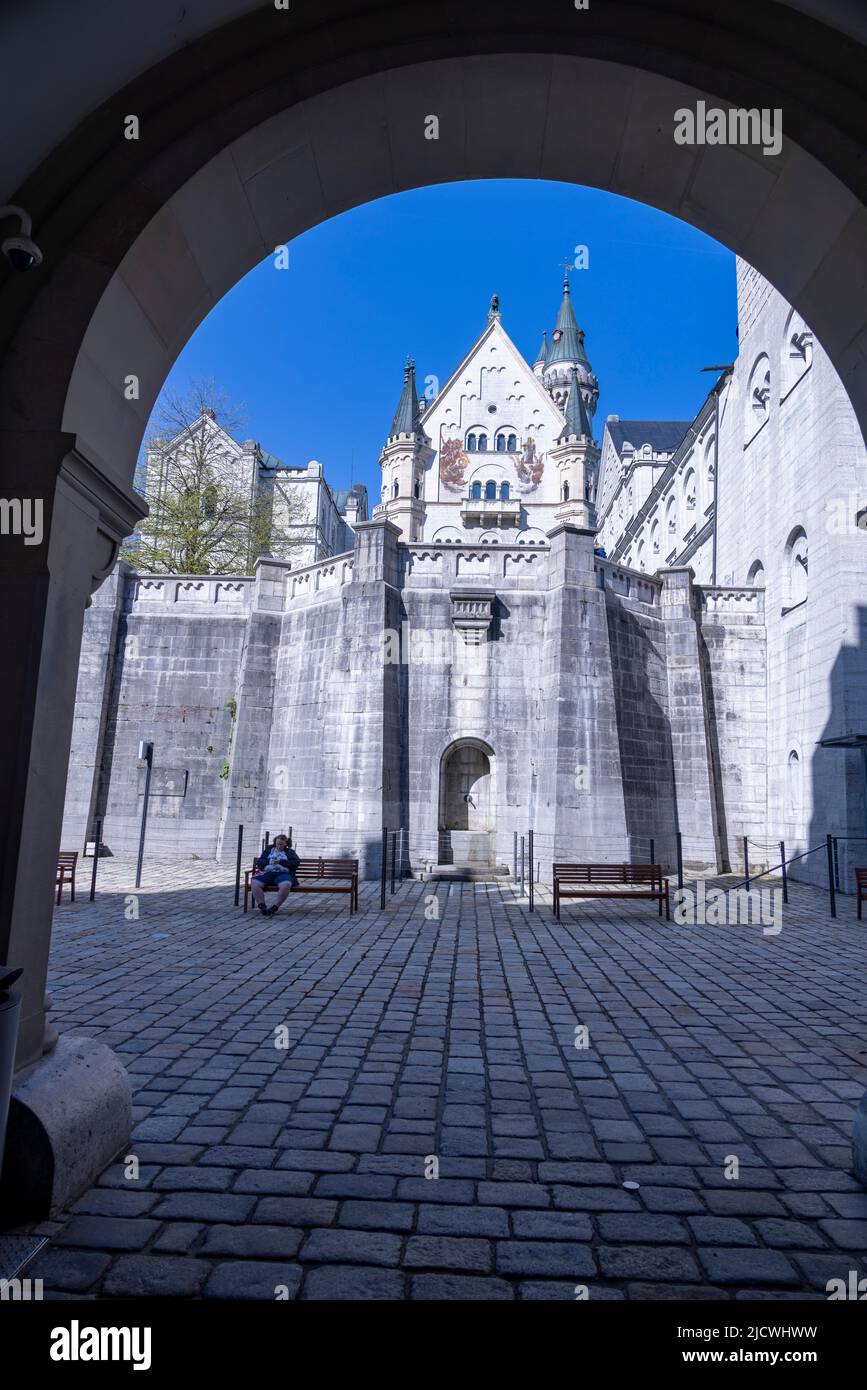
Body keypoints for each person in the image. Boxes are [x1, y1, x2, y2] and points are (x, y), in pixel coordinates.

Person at [250, 834, 299, 915]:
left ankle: (274, 907)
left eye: (281, 844)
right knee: (255, 882)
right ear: (275, 843)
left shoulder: (290, 852)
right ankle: (262, 905)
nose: (279, 846)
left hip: (283, 873)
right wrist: (269, 861)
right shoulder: (269, 850)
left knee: (286, 884)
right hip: (267, 873)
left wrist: (281, 861)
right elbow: (260, 862)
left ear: (285, 844)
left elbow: (295, 863)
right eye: (277, 844)